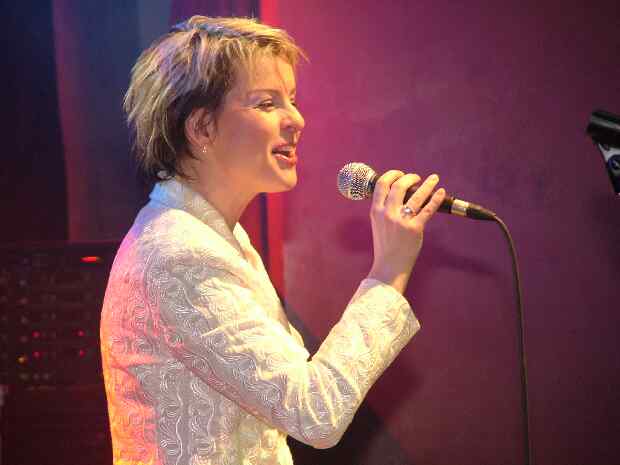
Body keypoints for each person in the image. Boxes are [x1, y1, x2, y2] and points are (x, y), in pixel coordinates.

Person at [100, 15, 446, 465]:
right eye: (266, 103)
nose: (296, 119)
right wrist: (387, 274)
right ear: (202, 128)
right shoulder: (179, 252)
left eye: (292, 101)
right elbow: (315, 412)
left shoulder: (215, 236)